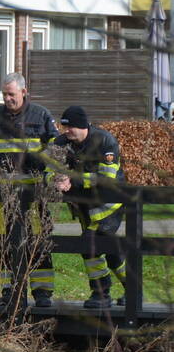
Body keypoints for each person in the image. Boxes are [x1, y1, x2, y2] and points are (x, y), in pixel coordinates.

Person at [0, 72, 59, 311]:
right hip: (4, 191)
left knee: (38, 239)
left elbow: (56, 146)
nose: (7, 99)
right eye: (4, 94)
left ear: (24, 92)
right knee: (3, 240)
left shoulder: (41, 115)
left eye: (11, 94)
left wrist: (40, 161)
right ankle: (9, 289)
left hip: (33, 192)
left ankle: (42, 292)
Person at [51, 106, 127, 309]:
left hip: (109, 204)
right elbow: (49, 166)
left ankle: (101, 294)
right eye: (64, 127)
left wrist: (73, 180)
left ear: (82, 126)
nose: (66, 131)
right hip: (84, 206)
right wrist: (57, 179)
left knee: (89, 246)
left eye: (70, 127)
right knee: (108, 250)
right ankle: (133, 288)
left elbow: (106, 178)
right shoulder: (61, 143)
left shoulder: (105, 141)